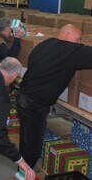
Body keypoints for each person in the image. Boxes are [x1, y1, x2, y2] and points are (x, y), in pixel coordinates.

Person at [16, 24, 92, 169]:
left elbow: (31, 59)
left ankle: (20, 171)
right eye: (78, 38)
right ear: (67, 35)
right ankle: (25, 175)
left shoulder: (44, 44)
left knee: (25, 140)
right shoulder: (71, 50)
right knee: (33, 147)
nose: (79, 42)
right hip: (35, 104)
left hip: (22, 96)